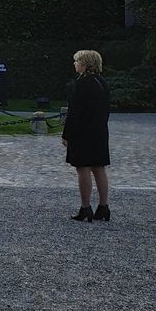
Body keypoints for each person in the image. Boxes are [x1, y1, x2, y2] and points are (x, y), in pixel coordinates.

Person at [62, 49, 111, 222]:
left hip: (83, 132)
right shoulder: (102, 82)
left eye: (77, 61)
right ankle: (103, 206)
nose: (74, 64)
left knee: (83, 168)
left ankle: (85, 207)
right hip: (99, 131)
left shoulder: (81, 84)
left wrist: (66, 134)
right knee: (99, 168)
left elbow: (74, 112)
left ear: (85, 64)